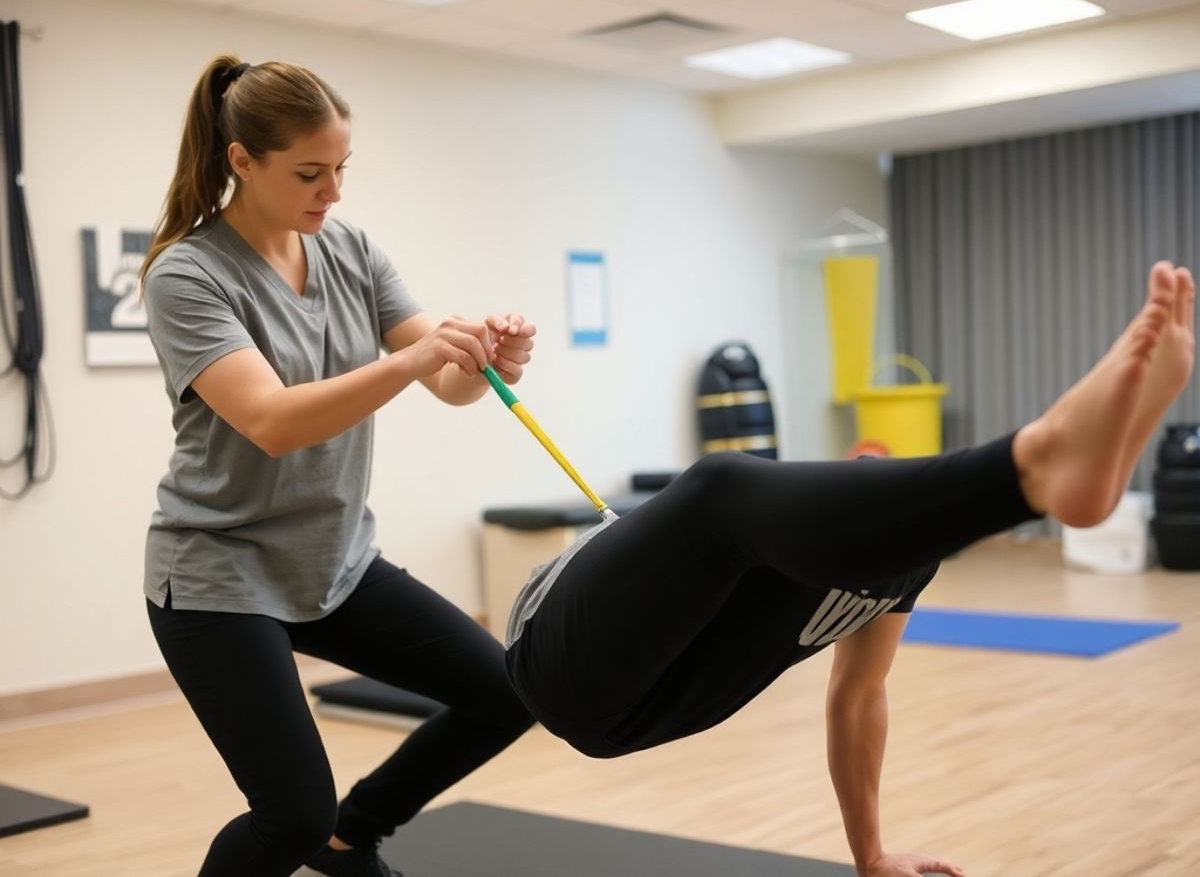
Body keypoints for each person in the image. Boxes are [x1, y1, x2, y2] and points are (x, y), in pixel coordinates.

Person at [504, 261, 1195, 877]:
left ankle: (1043, 466)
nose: (871, 478)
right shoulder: (788, 529)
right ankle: (1036, 466)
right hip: (553, 653)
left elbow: (860, 695)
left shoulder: (904, 566)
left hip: (640, 715)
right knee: (722, 485)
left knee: (726, 488)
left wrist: (871, 855)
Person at [138, 55, 536, 877]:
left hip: (335, 562)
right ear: (241, 161)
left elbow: (454, 386)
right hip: (220, 574)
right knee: (287, 817)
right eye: (310, 173)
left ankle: (351, 837)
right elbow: (271, 422)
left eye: (341, 169)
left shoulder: (351, 248)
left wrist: (497, 358)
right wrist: (416, 359)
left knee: (510, 691)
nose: (333, 192)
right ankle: (319, 831)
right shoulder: (188, 274)